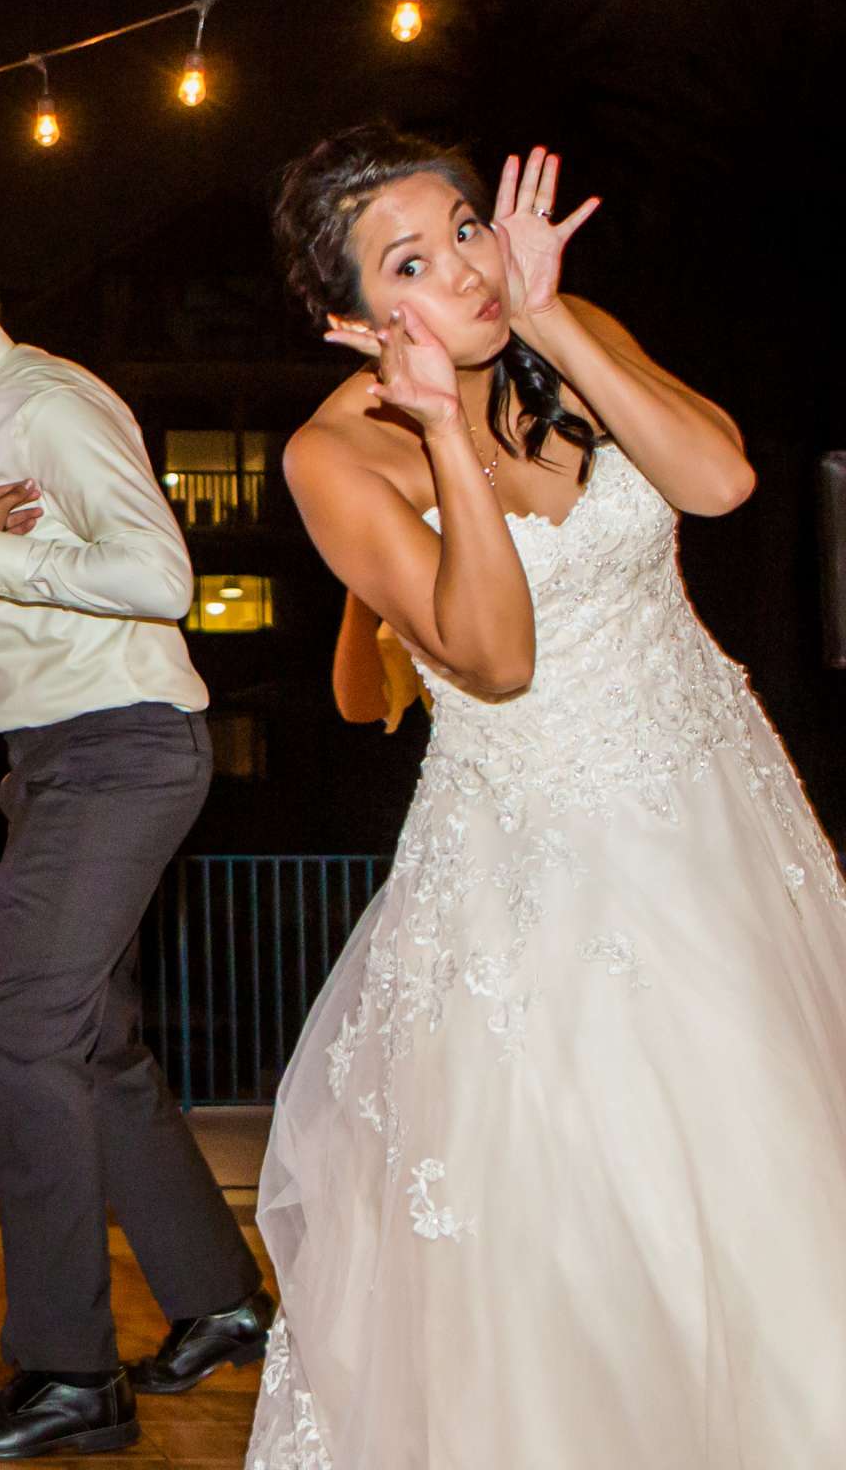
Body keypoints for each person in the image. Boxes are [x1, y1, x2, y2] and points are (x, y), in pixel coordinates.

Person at [249, 126, 846, 1467]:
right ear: (352, 319)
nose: (465, 265)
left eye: (468, 227)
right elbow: (497, 659)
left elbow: (721, 477)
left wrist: (553, 317)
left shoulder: (564, 333)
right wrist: (450, 435)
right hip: (541, 873)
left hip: (719, 816)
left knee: (781, 1180)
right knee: (589, 1222)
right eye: (415, 259)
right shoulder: (334, 458)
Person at [0, 216, 270, 1459]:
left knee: (20, 1032)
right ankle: (222, 1298)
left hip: (118, 748)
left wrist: (2, 552)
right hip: (56, 757)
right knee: (91, 1047)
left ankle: (68, 1372)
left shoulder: (48, 399)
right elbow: (22, 580)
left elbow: (159, 575)